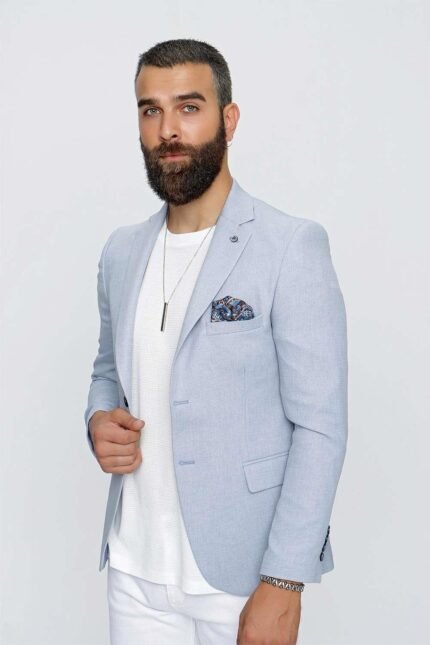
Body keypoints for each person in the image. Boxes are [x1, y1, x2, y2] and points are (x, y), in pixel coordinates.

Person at [84, 38, 348, 645]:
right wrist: (98, 420)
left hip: (241, 576)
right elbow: (106, 371)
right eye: (151, 110)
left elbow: (321, 426)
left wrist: (284, 580)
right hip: (133, 569)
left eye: (189, 107)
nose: (168, 130)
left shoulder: (290, 246)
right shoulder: (121, 252)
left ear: (229, 119)